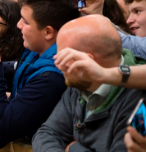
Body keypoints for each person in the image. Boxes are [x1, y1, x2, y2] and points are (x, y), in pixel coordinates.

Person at [0, 0, 80, 151]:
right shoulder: (35, 51)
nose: (18, 25)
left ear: (48, 32)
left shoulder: (53, 77)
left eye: (25, 21)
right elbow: (17, 113)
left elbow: (2, 129)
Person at [32, 14, 146, 152]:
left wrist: (74, 148)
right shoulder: (80, 81)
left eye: (62, 57)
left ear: (86, 61)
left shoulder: (139, 101)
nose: (57, 65)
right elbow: (45, 134)